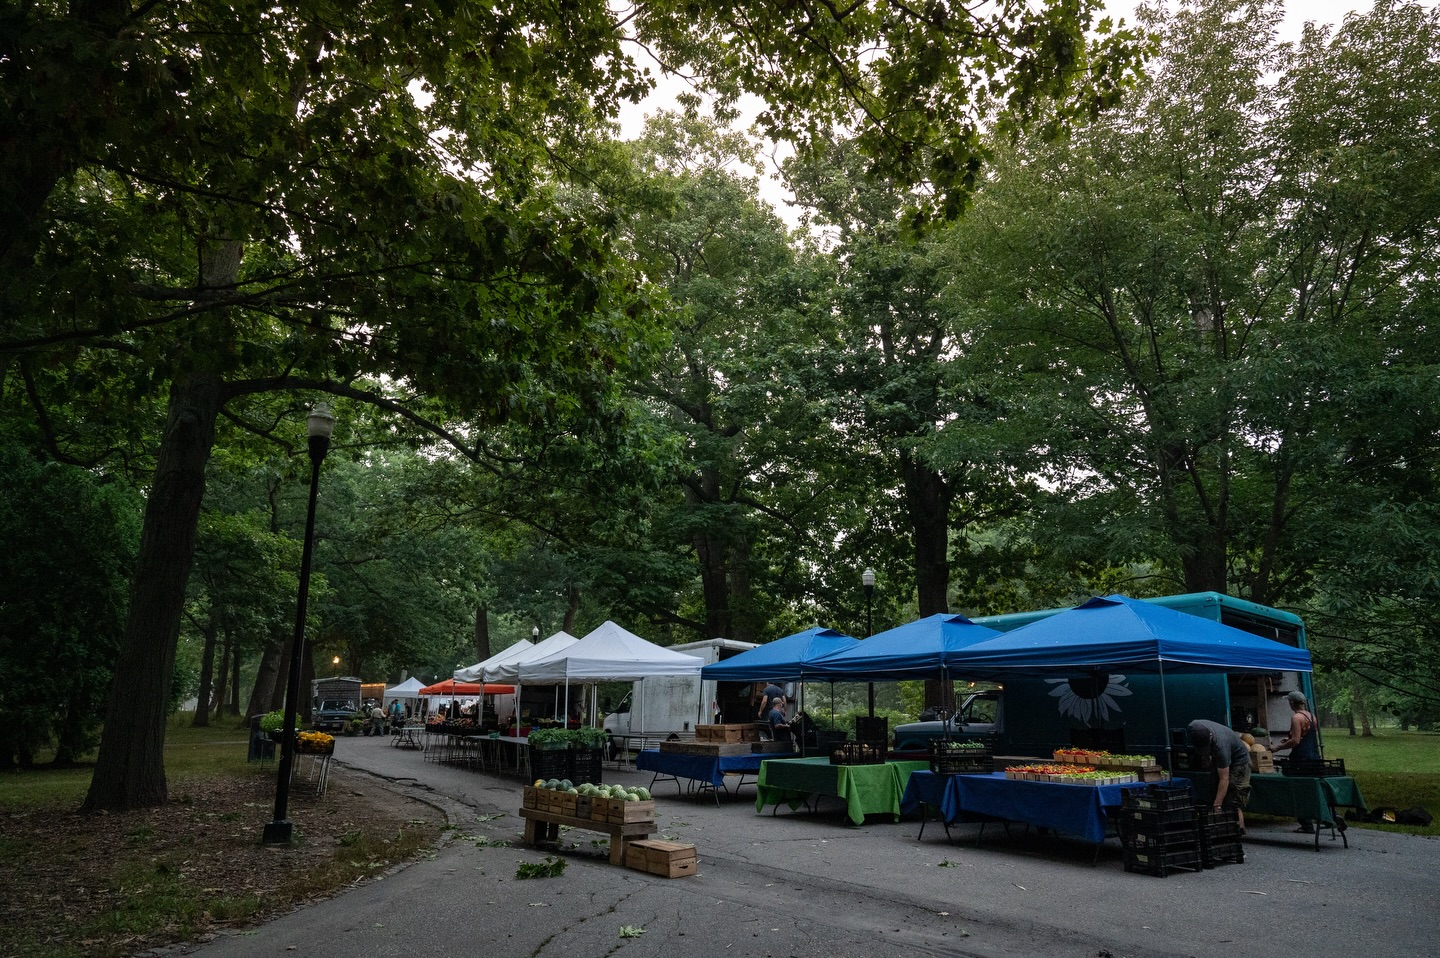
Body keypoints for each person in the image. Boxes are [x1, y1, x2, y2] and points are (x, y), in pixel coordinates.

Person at [1188, 718, 1251, 833]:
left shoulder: (1221, 747)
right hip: (1219, 760)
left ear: (1211, 736)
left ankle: (1238, 830)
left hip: (1240, 762)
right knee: (1214, 790)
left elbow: (1224, 779)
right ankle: (1219, 828)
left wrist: (1217, 806)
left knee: (1232, 799)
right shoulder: (1193, 727)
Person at [1271, 690, 1321, 832]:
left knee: (1298, 790)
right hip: (1313, 756)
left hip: (1300, 758)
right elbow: (1306, 736)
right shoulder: (1311, 716)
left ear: (1292, 703)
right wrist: (1291, 738)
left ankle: (1306, 824)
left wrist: (1278, 747)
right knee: (1310, 789)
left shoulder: (1296, 718)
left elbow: (1296, 741)